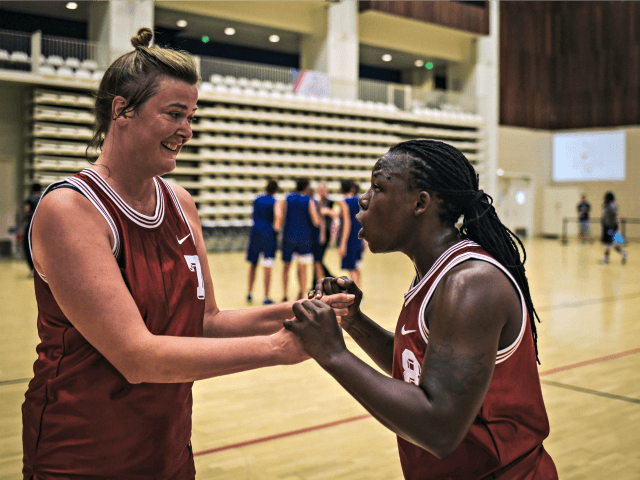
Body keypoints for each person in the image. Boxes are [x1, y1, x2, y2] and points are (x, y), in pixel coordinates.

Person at [22, 28, 352, 479]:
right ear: (122, 111)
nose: (187, 131)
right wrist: (278, 349)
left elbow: (206, 323)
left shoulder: (181, 203)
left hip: (170, 447)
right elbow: (136, 357)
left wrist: (302, 312)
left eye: (191, 116)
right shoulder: (72, 209)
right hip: (83, 453)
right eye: (175, 114)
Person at [285, 140, 558, 479]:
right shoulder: (436, 273)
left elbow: (439, 430)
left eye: (378, 187)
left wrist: (333, 354)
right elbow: (418, 369)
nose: (363, 199)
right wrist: (354, 322)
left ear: (420, 203)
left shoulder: (470, 284)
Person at [275, 177, 321, 302]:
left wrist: (278, 231)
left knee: (286, 267)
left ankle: (285, 294)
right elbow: (316, 221)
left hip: (288, 237)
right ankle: (302, 294)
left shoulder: (287, 198)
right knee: (302, 268)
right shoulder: (309, 200)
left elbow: (280, 215)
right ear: (306, 187)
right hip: (304, 239)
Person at [246, 178, 279, 305]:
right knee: (267, 265)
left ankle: (249, 292)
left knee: (253, 264)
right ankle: (266, 296)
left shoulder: (257, 199)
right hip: (268, 235)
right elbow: (278, 216)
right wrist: (277, 231)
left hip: (255, 233)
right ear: (275, 190)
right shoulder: (275, 202)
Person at [311, 182, 337, 286]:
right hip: (315, 234)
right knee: (317, 260)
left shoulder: (330, 202)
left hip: (325, 233)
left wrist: (328, 211)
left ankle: (330, 279)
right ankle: (316, 283)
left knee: (318, 260)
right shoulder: (315, 202)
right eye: (320, 190)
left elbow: (335, 214)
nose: (322, 192)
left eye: (324, 190)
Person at [339, 179, 364, 285]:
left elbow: (346, 224)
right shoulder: (359, 200)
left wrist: (343, 243)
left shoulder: (344, 201)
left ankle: (354, 295)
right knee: (357, 268)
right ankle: (359, 293)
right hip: (359, 237)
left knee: (351, 269)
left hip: (350, 239)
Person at [20, 183, 43, 277]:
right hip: (44, 225)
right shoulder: (45, 196)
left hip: (32, 224)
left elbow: (28, 211)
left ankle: (32, 269)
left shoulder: (29, 199)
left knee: (27, 245)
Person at [600, 191, 627, 264]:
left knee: (610, 243)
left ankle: (607, 258)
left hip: (611, 227)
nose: (604, 198)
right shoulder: (608, 205)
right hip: (608, 226)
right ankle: (621, 254)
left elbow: (613, 216)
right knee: (610, 244)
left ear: (609, 198)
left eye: (605, 197)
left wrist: (611, 228)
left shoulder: (612, 205)